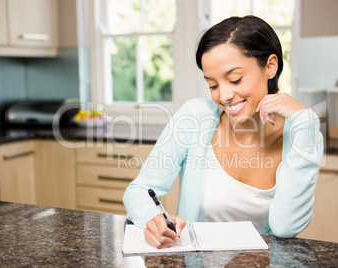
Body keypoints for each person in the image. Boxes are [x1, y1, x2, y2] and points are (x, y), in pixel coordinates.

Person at [123, 15, 324, 249]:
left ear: (271, 66)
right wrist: (153, 219)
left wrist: (306, 123)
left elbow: (285, 227)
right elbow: (139, 190)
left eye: (235, 80)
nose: (224, 96)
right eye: (213, 85)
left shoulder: (300, 135)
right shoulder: (195, 117)